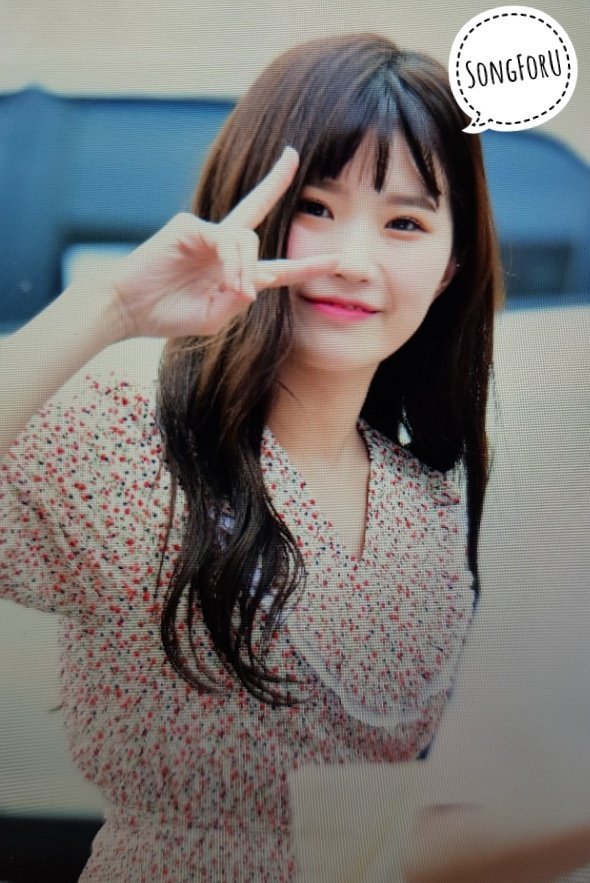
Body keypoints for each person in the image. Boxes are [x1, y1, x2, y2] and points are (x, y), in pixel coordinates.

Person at [4, 31, 588, 883]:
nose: (352, 261)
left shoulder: (428, 508)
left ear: (449, 266)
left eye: (405, 222)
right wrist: (111, 305)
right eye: (316, 206)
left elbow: (373, 847)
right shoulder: (138, 445)